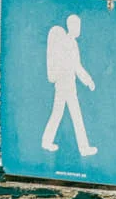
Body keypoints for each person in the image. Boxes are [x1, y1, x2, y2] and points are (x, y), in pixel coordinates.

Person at [41, 12, 100, 156]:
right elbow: (74, 66)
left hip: (68, 85)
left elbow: (77, 66)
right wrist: (87, 80)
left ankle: (47, 142)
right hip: (64, 84)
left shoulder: (72, 43)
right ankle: (83, 148)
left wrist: (88, 80)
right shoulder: (66, 42)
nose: (79, 29)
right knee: (72, 115)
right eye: (77, 26)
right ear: (71, 26)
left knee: (60, 113)